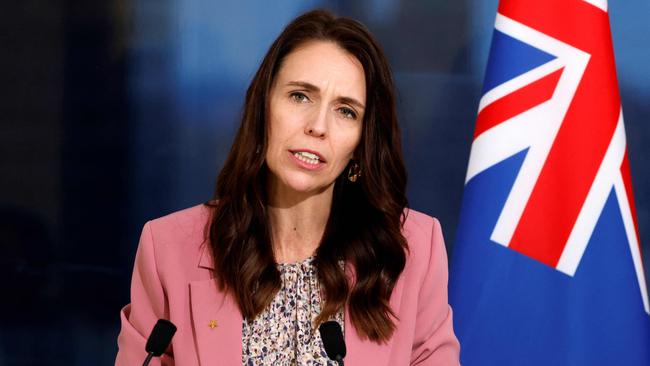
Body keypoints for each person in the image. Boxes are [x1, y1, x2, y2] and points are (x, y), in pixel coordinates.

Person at [116, 9, 460, 366]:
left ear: (360, 144)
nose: (318, 126)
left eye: (346, 111)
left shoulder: (413, 250)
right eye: (300, 96)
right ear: (263, 108)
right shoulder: (168, 251)